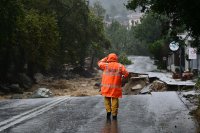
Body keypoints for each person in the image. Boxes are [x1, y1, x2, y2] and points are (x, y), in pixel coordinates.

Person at [98, 53, 129, 120]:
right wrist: (123, 77)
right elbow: (126, 73)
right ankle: (114, 115)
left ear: (109, 58)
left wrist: (106, 58)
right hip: (115, 87)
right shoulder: (120, 66)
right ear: (116, 58)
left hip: (106, 87)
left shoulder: (105, 65)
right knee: (115, 99)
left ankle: (108, 111)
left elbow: (99, 63)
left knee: (107, 98)